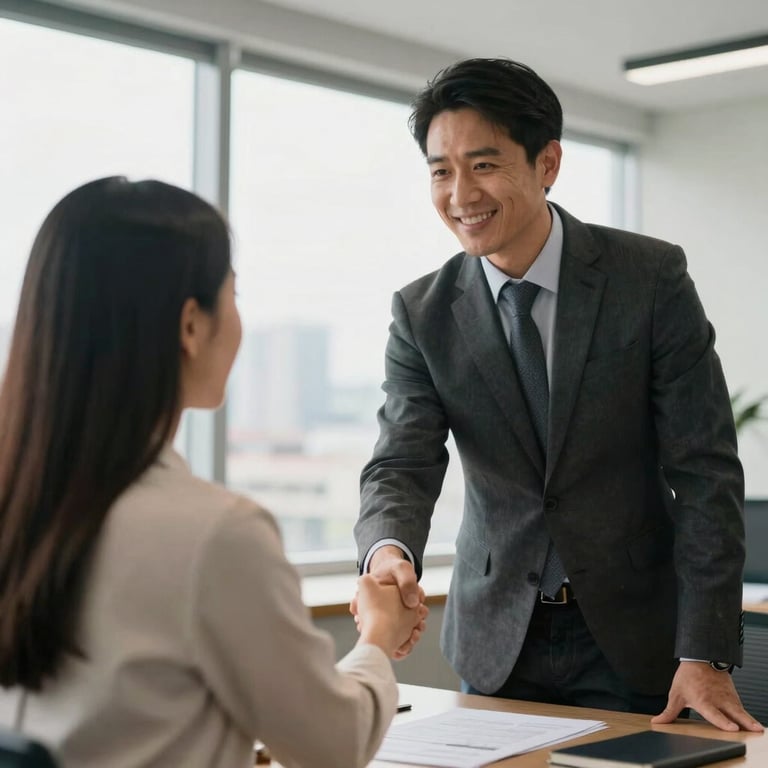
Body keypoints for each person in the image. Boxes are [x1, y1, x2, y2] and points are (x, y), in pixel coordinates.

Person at [353, 57, 763, 732]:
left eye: (483, 165)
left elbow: (705, 475)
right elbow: (402, 460)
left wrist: (706, 653)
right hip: (495, 641)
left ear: (547, 163)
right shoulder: (421, 312)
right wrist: (390, 552)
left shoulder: (649, 279)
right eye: (440, 169)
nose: (460, 193)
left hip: (633, 640)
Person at [0, 176, 427, 768]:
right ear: (192, 326)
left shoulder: (21, 505)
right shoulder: (215, 534)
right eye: (233, 293)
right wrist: (378, 635)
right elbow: (334, 746)